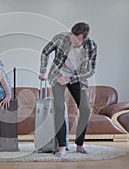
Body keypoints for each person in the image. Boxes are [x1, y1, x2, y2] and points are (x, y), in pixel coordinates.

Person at [39, 22, 97, 157]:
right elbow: (45, 52)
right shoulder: (61, 38)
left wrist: (70, 79)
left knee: (85, 109)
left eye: (77, 42)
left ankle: (79, 144)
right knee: (59, 107)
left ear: (85, 39)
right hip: (58, 75)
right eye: (72, 38)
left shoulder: (91, 46)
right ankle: (62, 146)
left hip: (77, 78)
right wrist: (42, 71)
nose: (73, 42)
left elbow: (90, 71)